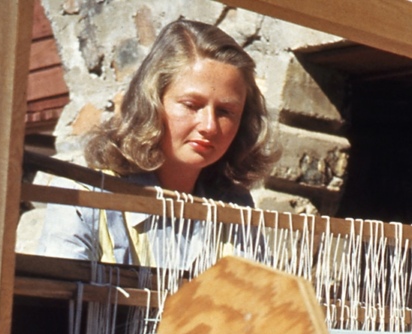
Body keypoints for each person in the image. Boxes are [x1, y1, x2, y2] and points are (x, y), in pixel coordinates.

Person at [37, 18, 279, 266]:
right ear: (152, 102)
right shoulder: (86, 197)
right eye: (191, 105)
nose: (209, 126)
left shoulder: (234, 208)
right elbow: (55, 302)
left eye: (225, 111)